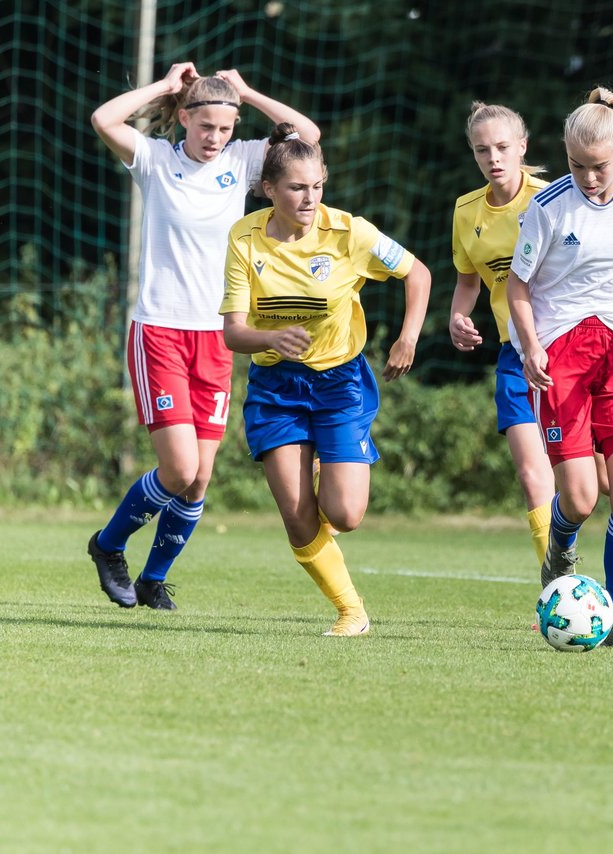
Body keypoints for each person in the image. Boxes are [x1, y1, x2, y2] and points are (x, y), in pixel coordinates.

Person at [450, 101, 613, 633]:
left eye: (599, 165)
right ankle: (561, 546)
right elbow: (517, 287)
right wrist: (532, 346)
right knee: (580, 497)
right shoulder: (546, 208)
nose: (589, 178)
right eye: (576, 166)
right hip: (560, 356)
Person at [87, 62, 320, 610]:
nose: (216, 137)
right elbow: (103, 118)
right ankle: (108, 545)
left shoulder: (242, 162)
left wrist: (247, 92)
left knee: (198, 483)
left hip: (216, 336)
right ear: (185, 120)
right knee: (179, 469)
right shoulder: (154, 159)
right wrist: (168, 87)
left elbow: (306, 137)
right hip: (160, 332)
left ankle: (152, 579)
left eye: (226, 126)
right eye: (206, 126)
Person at [220, 124, 431, 637]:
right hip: (275, 390)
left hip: (341, 383)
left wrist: (407, 338)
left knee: (346, 513)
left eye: (317, 185)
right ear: (269, 189)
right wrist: (270, 340)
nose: (310, 197)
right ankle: (351, 611)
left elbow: (418, 273)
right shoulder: (244, 239)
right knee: (297, 516)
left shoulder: (350, 232)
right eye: (296, 187)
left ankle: (327, 479)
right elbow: (233, 333)